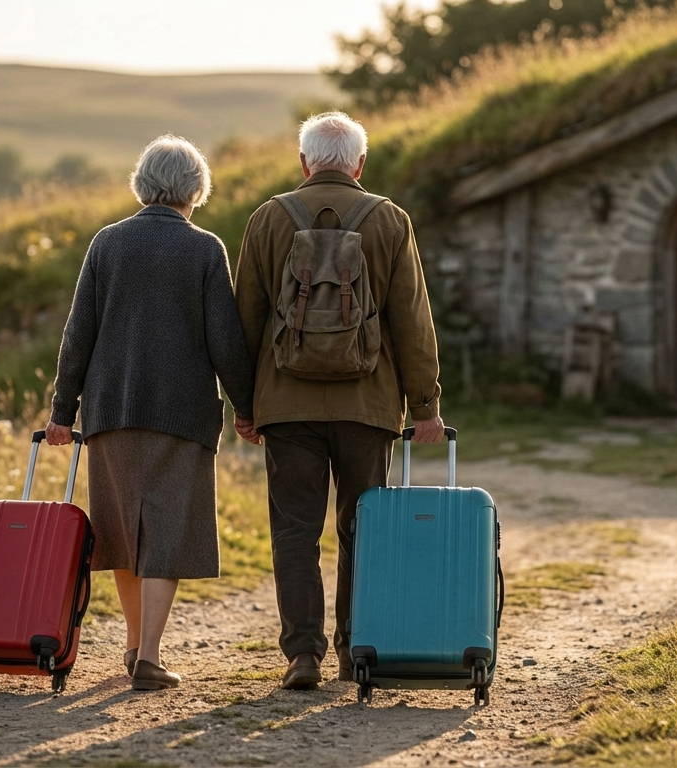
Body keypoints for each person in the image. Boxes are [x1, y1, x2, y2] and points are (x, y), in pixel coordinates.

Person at [233, 111, 444, 690]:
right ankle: (357, 648)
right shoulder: (390, 220)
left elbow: (244, 322)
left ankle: (303, 654)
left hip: (286, 404)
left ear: (304, 162)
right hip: (367, 404)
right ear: (359, 164)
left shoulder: (268, 219)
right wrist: (424, 407)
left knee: (295, 531)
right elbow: (412, 322)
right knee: (363, 527)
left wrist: (244, 404)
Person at [45, 134, 254, 691]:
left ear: (143, 183)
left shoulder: (106, 243)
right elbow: (225, 342)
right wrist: (248, 409)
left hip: (110, 411)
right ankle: (149, 658)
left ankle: (135, 645)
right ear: (195, 189)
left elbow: (77, 336)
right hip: (180, 416)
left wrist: (63, 412)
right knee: (166, 534)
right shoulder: (205, 249)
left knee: (119, 533)